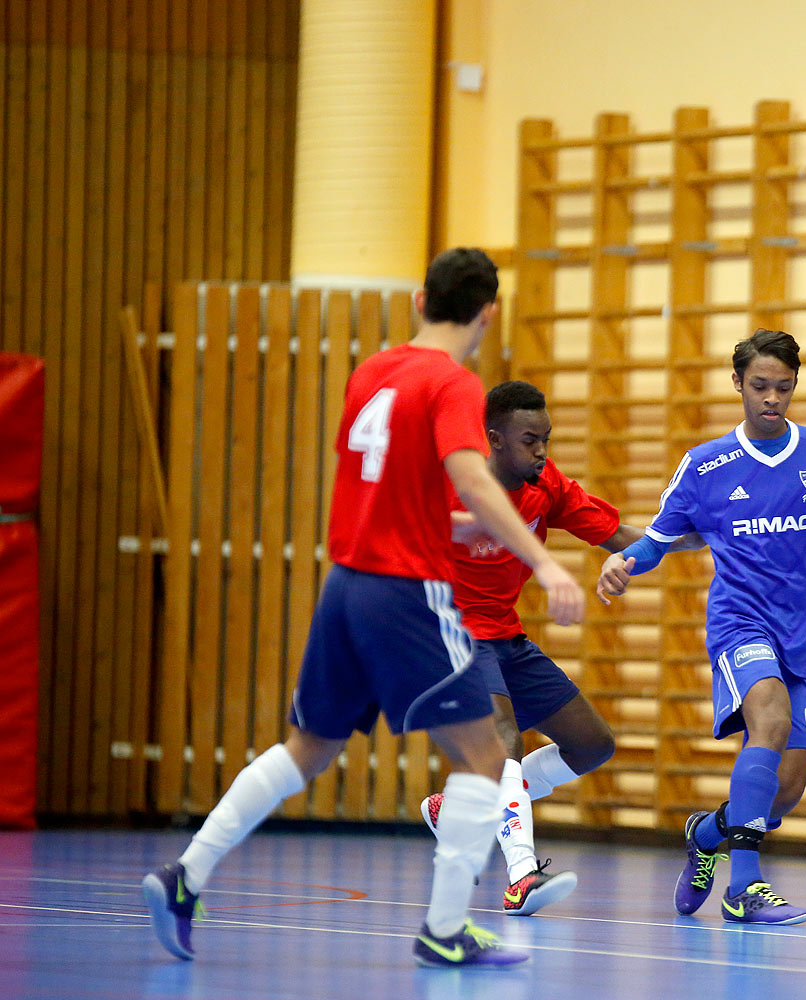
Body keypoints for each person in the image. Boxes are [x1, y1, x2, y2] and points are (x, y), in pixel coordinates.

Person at [141, 248, 586, 968]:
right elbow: (471, 478)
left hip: (344, 585)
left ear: (419, 300)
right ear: (488, 312)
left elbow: (390, 496)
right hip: (406, 592)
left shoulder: (372, 371)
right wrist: (542, 561)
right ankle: (447, 929)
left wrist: (459, 529)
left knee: (307, 749)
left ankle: (185, 875)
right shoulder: (453, 383)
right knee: (485, 753)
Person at [597, 328, 806, 925]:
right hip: (739, 622)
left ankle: (708, 833)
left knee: (788, 786)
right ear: (738, 386)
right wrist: (624, 563)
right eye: (759, 387)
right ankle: (744, 889)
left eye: (783, 387)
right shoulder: (705, 465)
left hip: (805, 634)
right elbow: (658, 540)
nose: (772, 398)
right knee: (767, 718)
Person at [418, 380, 702, 914]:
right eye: (530, 440)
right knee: (503, 740)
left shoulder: (544, 483)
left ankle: (458, 806)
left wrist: (702, 536)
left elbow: (619, 534)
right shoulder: (455, 483)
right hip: (451, 634)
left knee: (592, 745)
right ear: (494, 439)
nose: (542, 451)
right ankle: (522, 875)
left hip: (506, 636)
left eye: (546, 439)